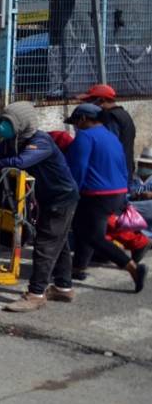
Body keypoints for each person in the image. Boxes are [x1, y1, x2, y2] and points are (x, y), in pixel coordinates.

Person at [0, 101, 79, 312]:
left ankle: (36, 294)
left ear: (22, 123)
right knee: (59, 242)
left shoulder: (41, 142)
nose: (3, 126)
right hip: (46, 197)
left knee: (45, 245)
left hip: (62, 198)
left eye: (7, 122)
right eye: (2, 121)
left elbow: (20, 162)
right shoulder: (12, 141)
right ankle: (63, 288)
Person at [65, 103, 147, 292]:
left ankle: (132, 267)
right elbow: (123, 164)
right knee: (81, 226)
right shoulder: (111, 137)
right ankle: (78, 266)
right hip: (117, 192)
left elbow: (78, 169)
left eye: (76, 122)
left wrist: (69, 193)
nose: (76, 126)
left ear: (84, 119)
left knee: (93, 235)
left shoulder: (84, 137)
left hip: (96, 193)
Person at [79, 84, 136, 183]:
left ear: (101, 100)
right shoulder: (124, 115)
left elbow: (108, 146)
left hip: (114, 174)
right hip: (124, 170)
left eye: (89, 101)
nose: (88, 105)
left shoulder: (110, 117)